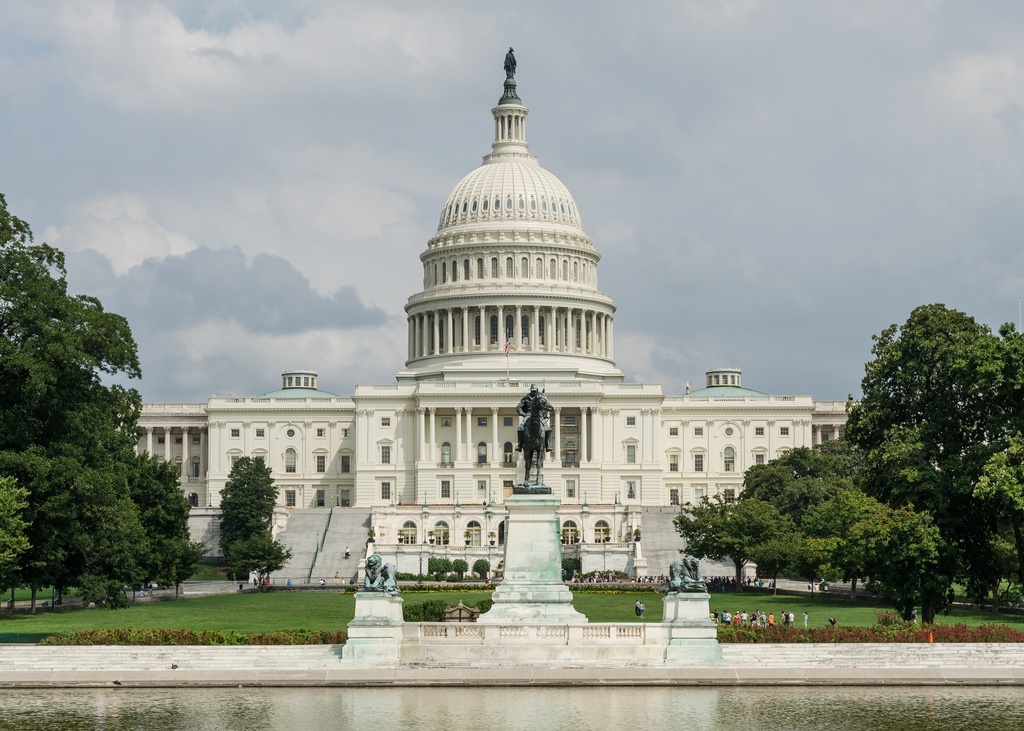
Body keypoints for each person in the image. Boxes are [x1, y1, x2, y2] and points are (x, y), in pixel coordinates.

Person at [516, 384, 552, 452]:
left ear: (537, 391)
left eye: (534, 391)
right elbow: (519, 407)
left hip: (539, 415)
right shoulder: (526, 397)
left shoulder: (541, 397)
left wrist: (544, 413)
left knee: (548, 429)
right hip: (528, 414)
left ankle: (548, 445)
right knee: (520, 428)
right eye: (532, 391)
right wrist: (523, 414)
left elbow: (545, 406)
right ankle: (519, 445)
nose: (533, 392)